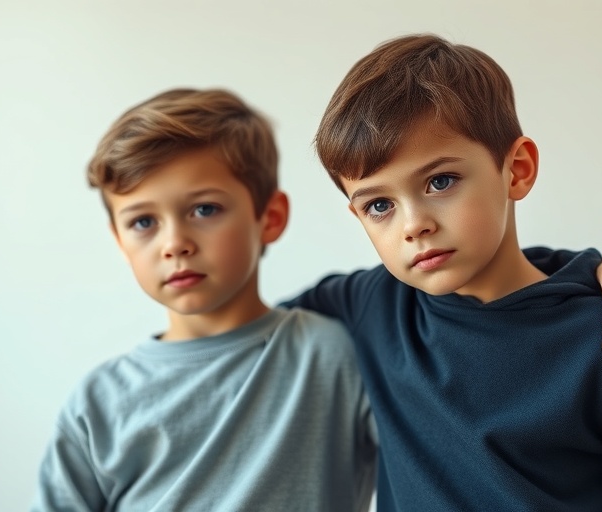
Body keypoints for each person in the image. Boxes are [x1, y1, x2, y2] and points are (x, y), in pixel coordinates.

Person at [284, 34, 602, 510]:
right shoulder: (373, 305)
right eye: (379, 205)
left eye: (440, 181)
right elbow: (250, 326)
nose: (413, 225)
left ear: (517, 170)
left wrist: (597, 273)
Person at [31, 88, 377, 511]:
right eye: (143, 222)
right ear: (120, 241)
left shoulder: (333, 355)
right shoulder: (97, 404)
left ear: (270, 218)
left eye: (204, 210)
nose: (174, 244)